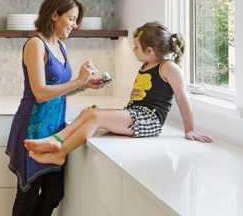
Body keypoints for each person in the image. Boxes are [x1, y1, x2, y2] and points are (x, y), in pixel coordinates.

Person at [5, 0, 104, 216]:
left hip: (55, 131)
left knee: (52, 193)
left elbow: (60, 88)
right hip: (32, 129)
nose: (74, 24)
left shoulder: (59, 44)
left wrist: (86, 85)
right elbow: (40, 92)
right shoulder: (35, 44)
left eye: (76, 20)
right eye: (71, 18)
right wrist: (77, 81)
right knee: (27, 194)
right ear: (54, 15)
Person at [24, 21, 212, 168]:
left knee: (95, 116)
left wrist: (189, 129)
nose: (133, 50)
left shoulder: (168, 67)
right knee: (89, 112)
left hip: (149, 120)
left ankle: (60, 153)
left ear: (150, 51)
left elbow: (182, 98)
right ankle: (55, 140)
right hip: (135, 114)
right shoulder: (147, 64)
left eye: (136, 47)